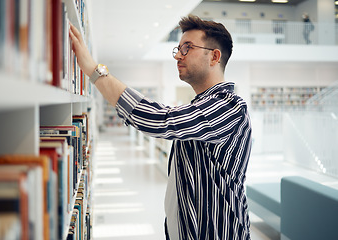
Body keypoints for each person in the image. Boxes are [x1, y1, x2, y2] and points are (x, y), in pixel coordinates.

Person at [70, 15, 252, 240]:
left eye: (187, 48)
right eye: (178, 48)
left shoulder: (229, 106)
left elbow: (161, 119)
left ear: (214, 56)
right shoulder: (202, 105)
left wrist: (94, 71)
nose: (177, 55)